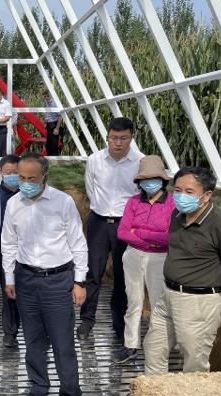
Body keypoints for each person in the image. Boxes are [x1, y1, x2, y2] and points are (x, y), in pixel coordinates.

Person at [2, 153, 87, 396]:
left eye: (32, 179)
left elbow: (78, 243)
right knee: (33, 340)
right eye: (22, 178)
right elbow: (9, 242)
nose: (26, 183)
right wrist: (9, 278)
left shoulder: (63, 202)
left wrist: (79, 281)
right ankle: (39, 386)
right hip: (26, 279)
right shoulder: (14, 204)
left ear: (45, 177)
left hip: (57, 281)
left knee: (63, 343)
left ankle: (70, 395)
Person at [143, 167, 221, 375]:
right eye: (178, 190)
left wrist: (218, 291)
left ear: (206, 195)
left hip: (198, 303)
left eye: (189, 192)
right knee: (154, 348)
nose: (181, 196)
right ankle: (155, 391)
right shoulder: (177, 215)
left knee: (194, 362)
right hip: (168, 295)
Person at [78, 117, 144, 341]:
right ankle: (87, 320)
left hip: (126, 224)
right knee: (92, 272)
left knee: (122, 275)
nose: (118, 142)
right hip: (98, 221)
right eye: (113, 138)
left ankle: (119, 322)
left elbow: (142, 194)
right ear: (107, 137)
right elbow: (90, 188)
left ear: (131, 137)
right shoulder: (95, 160)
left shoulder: (140, 161)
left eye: (123, 138)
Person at [113, 155, 175, 363]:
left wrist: (140, 232)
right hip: (133, 255)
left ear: (163, 180)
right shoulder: (133, 201)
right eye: (145, 179)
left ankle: (158, 346)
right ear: (139, 181)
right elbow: (122, 232)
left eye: (154, 178)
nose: (149, 182)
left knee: (158, 302)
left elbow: (170, 237)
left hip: (160, 259)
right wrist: (150, 241)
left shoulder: (172, 203)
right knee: (134, 301)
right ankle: (130, 345)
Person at [0, 154, 21, 348]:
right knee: (9, 290)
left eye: (15, 172)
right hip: (6, 250)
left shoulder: (28, 193)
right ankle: (10, 332)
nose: (12, 176)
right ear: (0, 173)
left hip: (31, 249)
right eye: (8, 173)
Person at [43, 90, 63, 156]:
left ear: (51, 95)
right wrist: (45, 122)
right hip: (49, 124)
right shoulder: (46, 103)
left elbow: (60, 116)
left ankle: (55, 158)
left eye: (47, 96)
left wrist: (57, 128)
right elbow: (46, 113)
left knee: (54, 144)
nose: (46, 97)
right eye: (45, 96)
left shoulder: (55, 103)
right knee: (48, 145)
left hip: (54, 124)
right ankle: (50, 158)